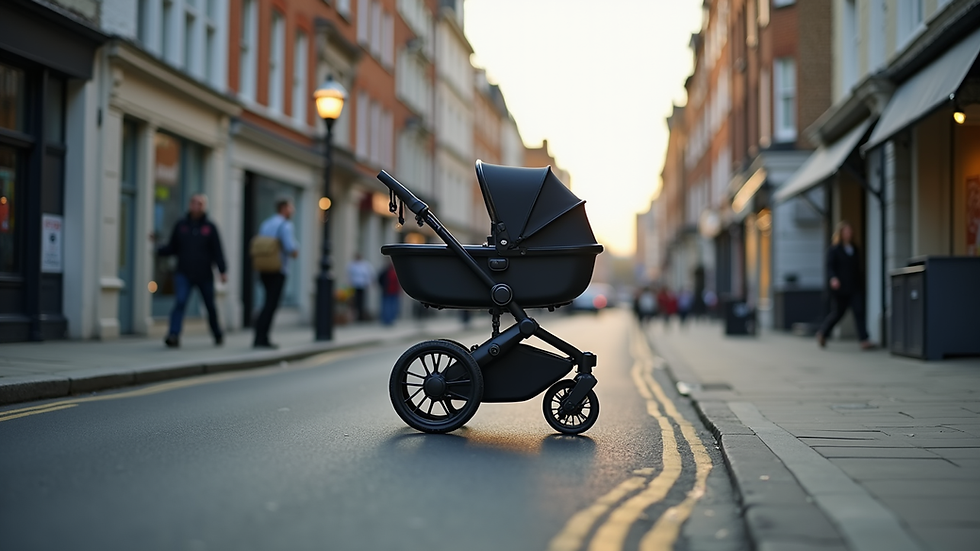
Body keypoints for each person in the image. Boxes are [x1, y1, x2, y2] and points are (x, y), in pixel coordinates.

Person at [155, 194, 227, 348]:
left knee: (210, 306)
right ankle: (173, 335)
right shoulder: (181, 225)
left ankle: (217, 333)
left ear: (204, 206)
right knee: (180, 302)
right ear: (190, 205)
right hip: (184, 273)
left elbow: (217, 251)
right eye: (195, 203)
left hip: (204, 275)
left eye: (200, 203)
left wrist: (222, 271)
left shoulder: (210, 227)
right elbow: (172, 247)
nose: (197, 206)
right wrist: (157, 248)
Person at [816, 221, 875, 350]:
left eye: (850, 231)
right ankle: (823, 332)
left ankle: (864, 340)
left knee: (859, 311)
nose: (849, 233)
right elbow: (830, 267)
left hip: (854, 287)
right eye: (846, 231)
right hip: (841, 288)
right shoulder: (834, 249)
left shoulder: (854, 248)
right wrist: (833, 279)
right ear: (841, 233)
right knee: (838, 313)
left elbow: (858, 268)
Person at [253, 198, 298, 349]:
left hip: (264, 268)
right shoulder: (285, 225)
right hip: (278, 269)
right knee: (271, 304)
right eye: (291, 207)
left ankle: (258, 335)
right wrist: (295, 251)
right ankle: (262, 338)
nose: (292, 210)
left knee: (266, 302)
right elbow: (290, 247)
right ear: (284, 208)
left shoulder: (266, 223)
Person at [347, 253, 374, 322]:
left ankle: (361, 316)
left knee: (362, 301)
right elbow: (349, 275)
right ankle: (355, 316)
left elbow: (369, 275)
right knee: (354, 302)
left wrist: (368, 284)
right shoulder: (352, 265)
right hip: (354, 286)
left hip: (362, 286)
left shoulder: (365, 265)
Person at [377, 261, 401, 326]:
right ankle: (389, 319)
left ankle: (387, 320)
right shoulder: (395, 273)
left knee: (388, 306)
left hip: (389, 291)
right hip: (391, 292)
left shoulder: (387, 272)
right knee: (391, 306)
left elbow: (379, 279)